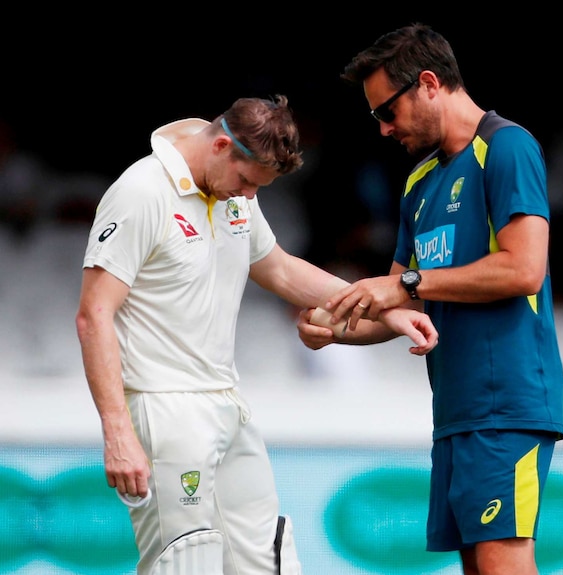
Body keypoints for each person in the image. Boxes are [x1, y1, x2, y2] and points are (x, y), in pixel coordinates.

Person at [75, 95, 438, 575]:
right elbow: (93, 315)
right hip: (163, 408)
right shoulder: (142, 190)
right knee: (185, 564)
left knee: (268, 560)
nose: (247, 197)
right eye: (246, 182)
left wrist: (385, 308)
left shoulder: (234, 194)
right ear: (222, 144)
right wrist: (117, 431)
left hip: (227, 403)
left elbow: (281, 270)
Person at [296, 23, 563, 575]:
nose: (383, 129)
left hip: (507, 402)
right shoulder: (419, 181)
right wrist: (334, 326)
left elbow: (525, 268)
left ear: (427, 83)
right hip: (457, 411)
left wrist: (408, 285)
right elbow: (400, 308)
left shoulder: (508, 146)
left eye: (385, 112)